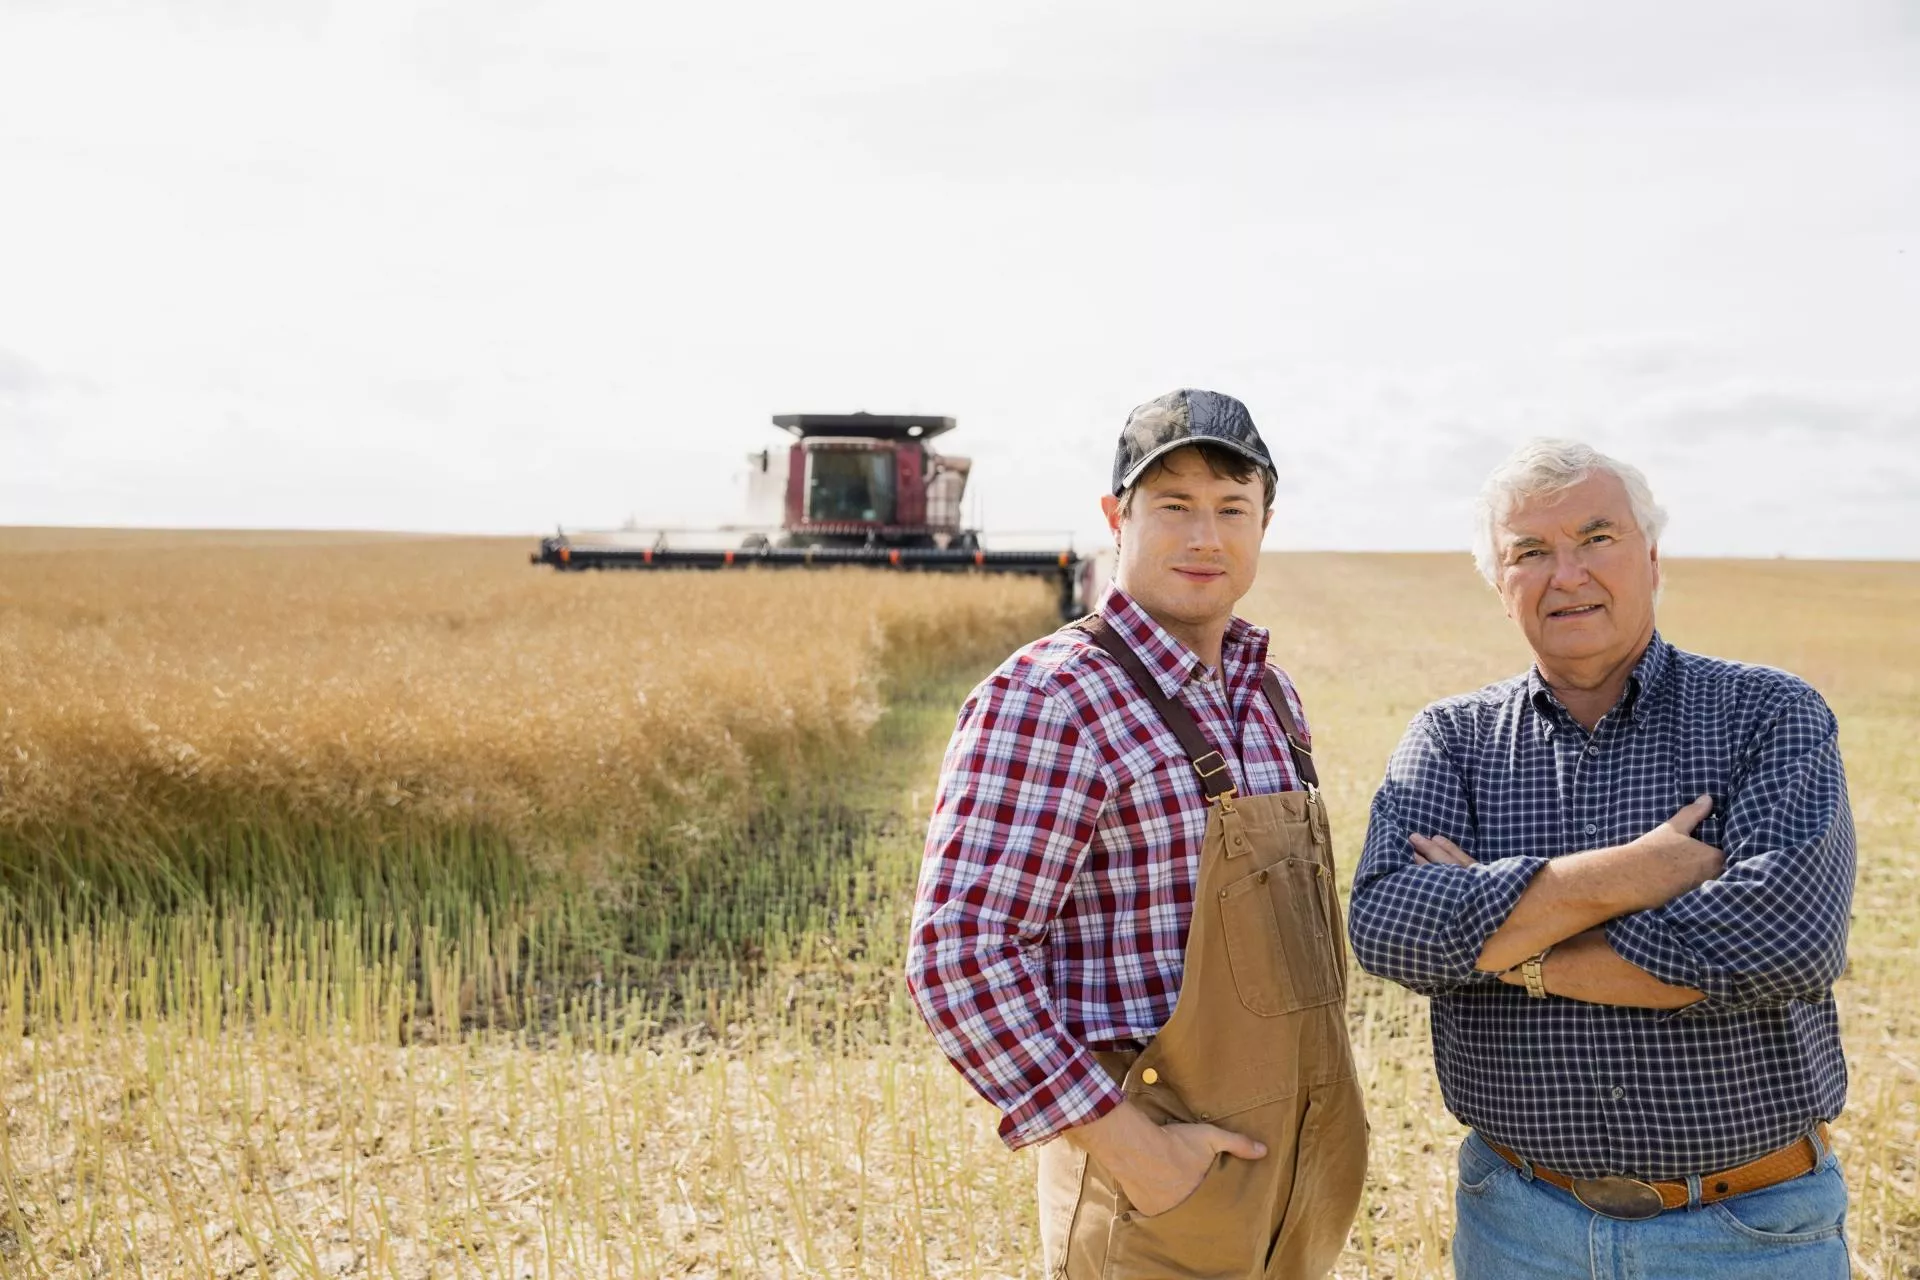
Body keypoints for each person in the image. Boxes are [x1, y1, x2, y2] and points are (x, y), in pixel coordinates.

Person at [1348, 439, 1856, 1279]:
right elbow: (1388, 928)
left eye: (1596, 538)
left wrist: (1511, 950)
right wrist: (1632, 874)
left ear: (1652, 559)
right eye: (1531, 552)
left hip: (1748, 1231)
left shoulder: (1768, 715)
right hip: (1517, 1224)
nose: (1568, 574)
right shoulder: (1452, 739)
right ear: (1498, 583)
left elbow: (1782, 942)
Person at [905, 389, 1367, 1280]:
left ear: (1265, 523)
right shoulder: (1054, 698)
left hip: (1298, 1187)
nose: (1206, 537)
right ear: (1117, 517)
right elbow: (960, 955)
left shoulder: (1271, 698)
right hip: (1157, 1201)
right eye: (1175, 507)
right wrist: (1130, 1149)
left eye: (1233, 509)